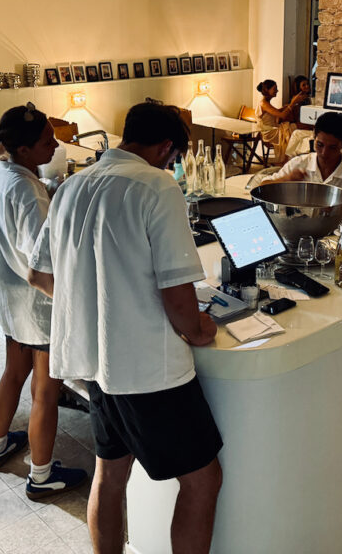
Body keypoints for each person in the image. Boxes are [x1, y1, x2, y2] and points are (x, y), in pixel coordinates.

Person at [28, 102, 222, 554]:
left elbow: (39, 275)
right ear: (166, 148)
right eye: (173, 159)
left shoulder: (71, 186)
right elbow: (177, 293)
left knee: (110, 474)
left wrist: (95, 304)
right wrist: (197, 329)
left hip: (95, 363)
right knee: (202, 479)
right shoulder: (158, 186)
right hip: (148, 369)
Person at [0, 103, 88, 498]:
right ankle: (41, 476)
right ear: (24, 149)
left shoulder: (2, 172)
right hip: (39, 306)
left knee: (13, 372)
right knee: (45, 392)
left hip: (11, 300)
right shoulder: (27, 191)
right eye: (46, 141)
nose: (55, 144)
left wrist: (50, 194)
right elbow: (39, 264)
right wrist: (71, 304)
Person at [257, 112, 342, 202]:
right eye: (319, 145)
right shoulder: (300, 163)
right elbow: (261, 189)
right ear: (313, 137)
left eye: (332, 147)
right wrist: (286, 179)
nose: (324, 153)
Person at [256, 79, 304, 164]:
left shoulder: (265, 103)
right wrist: (292, 103)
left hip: (273, 129)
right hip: (271, 133)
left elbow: (275, 113)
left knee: (298, 126)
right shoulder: (264, 104)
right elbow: (282, 116)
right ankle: (289, 160)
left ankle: (295, 157)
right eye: (275, 89)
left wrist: (286, 107)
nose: (277, 91)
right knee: (299, 126)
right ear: (267, 90)